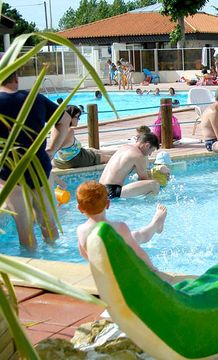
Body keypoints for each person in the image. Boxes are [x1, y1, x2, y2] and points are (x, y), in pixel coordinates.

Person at [0, 71, 73, 248]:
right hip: (40, 166)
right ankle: (56, 257)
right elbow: (65, 119)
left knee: (25, 231)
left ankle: (33, 266)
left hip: (10, 171)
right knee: (48, 222)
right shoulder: (34, 98)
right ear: (16, 79)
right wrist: (52, 150)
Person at [76, 181, 172, 282]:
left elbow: (83, 252)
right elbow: (139, 253)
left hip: (105, 275)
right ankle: (155, 224)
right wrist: (153, 270)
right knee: (137, 236)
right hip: (123, 275)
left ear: (80, 208)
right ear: (108, 204)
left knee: (134, 236)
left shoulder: (80, 230)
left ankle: (155, 225)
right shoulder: (119, 227)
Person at [99, 133, 161, 198]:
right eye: (152, 151)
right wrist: (161, 181)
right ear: (147, 145)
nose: (150, 154)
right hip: (112, 191)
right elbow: (144, 179)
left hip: (100, 189)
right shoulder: (138, 155)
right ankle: (148, 206)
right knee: (154, 185)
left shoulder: (125, 147)